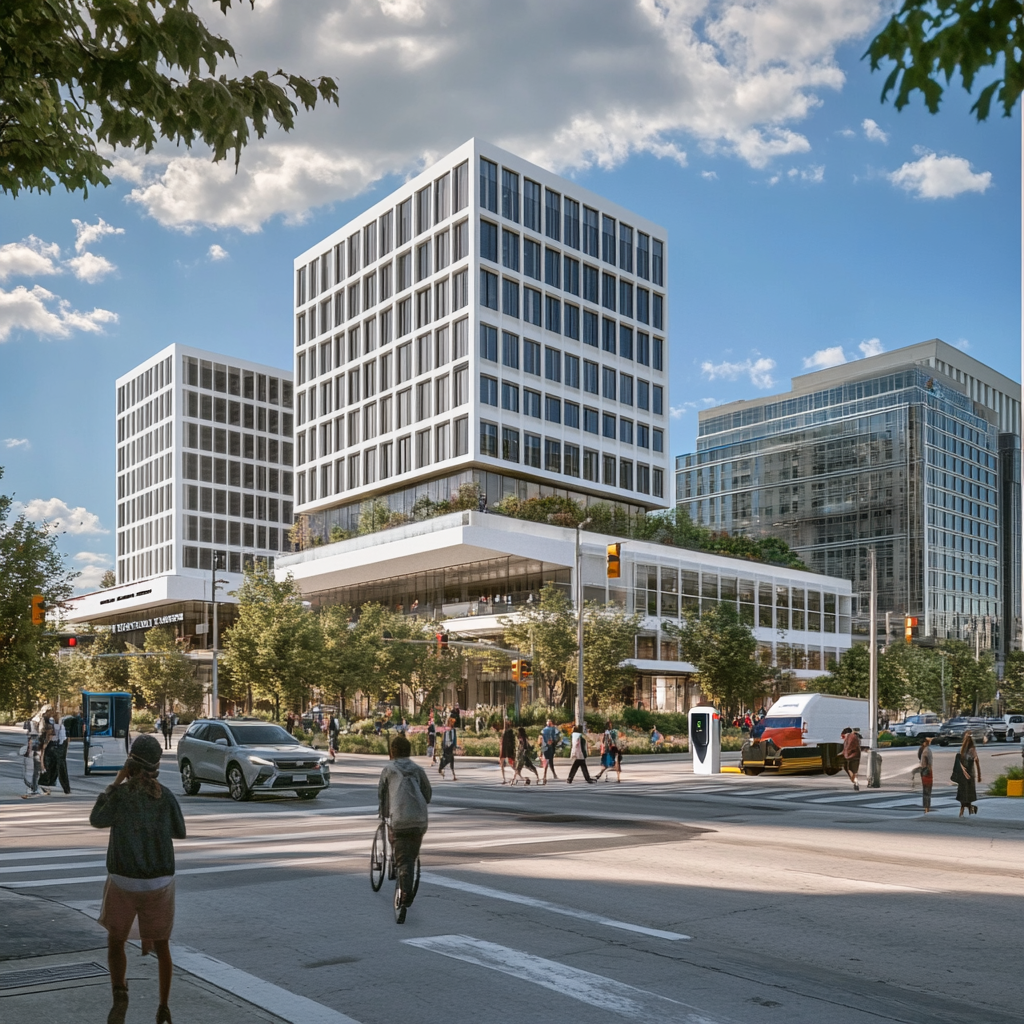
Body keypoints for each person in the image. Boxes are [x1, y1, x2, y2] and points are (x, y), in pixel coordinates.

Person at [90, 734, 186, 1024]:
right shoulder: (166, 795)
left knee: (116, 940)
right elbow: (179, 832)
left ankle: (120, 992)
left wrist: (115, 783)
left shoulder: (120, 795)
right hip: (159, 883)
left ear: (129, 764)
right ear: (156, 767)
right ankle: (164, 1006)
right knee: (163, 944)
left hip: (124, 880)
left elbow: (96, 819)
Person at [378, 734, 432, 924]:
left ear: (392, 752)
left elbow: (382, 795)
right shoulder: (418, 769)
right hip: (419, 820)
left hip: (400, 820)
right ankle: (406, 879)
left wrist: (384, 815)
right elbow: (428, 794)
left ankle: (405, 895)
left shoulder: (388, 769)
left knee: (403, 861)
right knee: (412, 853)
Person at [953, 733, 981, 816]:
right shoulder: (966, 749)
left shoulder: (964, 749)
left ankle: (965, 810)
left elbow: (976, 761)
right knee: (965, 794)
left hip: (967, 775)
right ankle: (969, 809)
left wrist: (979, 775)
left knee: (966, 794)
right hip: (968, 774)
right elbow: (977, 762)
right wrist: (979, 775)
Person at [540, 718, 561, 784]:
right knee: (548, 761)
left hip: (548, 747)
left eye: (549, 722)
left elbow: (541, 738)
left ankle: (548, 775)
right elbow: (558, 736)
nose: (549, 723)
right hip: (548, 747)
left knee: (549, 760)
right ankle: (547, 775)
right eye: (548, 722)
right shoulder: (551, 729)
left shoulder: (548, 729)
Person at [918, 736, 934, 813]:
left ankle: (926, 807)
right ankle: (927, 808)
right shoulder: (927, 751)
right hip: (927, 772)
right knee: (928, 790)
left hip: (923, 771)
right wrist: (930, 769)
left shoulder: (922, 750)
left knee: (925, 791)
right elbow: (930, 763)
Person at [499, 719, 516, 783]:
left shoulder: (509, 732)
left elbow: (511, 742)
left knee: (509, 763)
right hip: (504, 749)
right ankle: (504, 778)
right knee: (502, 764)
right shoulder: (505, 731)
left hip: (507, 749)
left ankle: (515, 776)